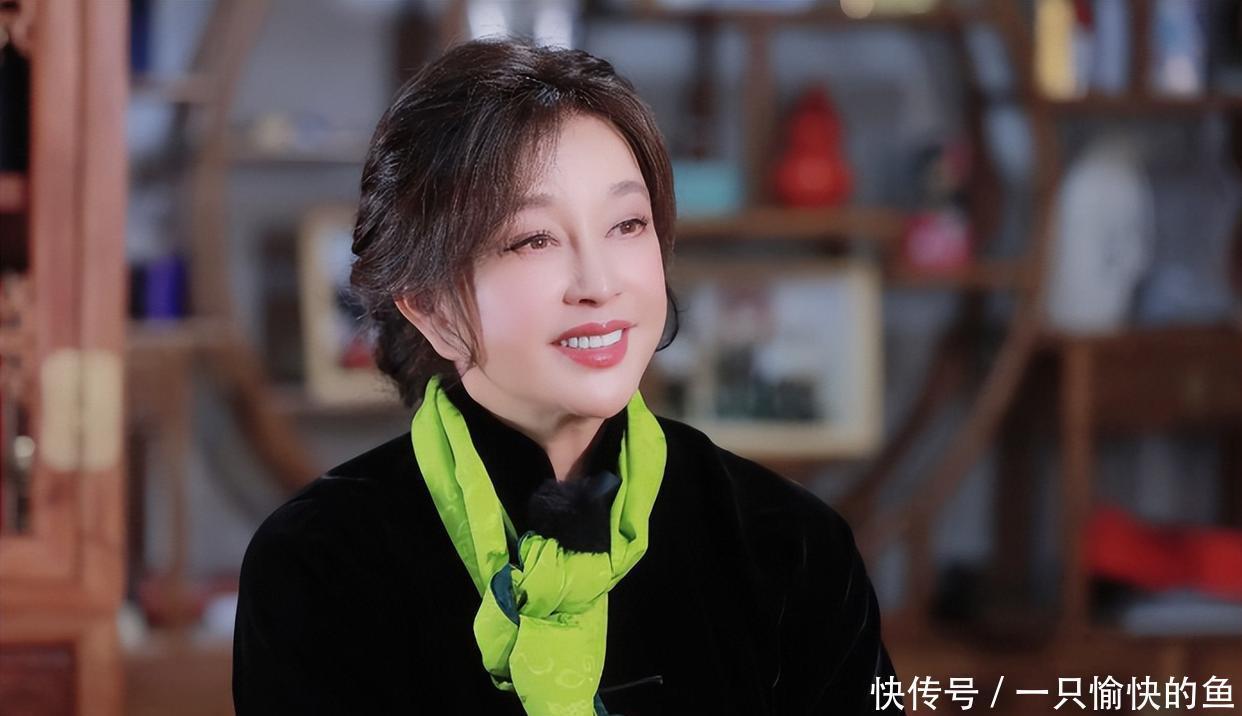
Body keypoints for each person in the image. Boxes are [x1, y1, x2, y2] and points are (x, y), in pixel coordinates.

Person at [232, 37, 904, 716]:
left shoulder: (787, 542)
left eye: (627, 224)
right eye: (534, 239)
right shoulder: (321, 562)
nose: (599, 283)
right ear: (431, 307)